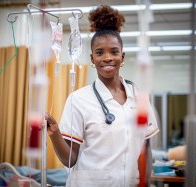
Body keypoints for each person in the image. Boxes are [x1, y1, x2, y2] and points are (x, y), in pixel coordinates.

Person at [45, 5, 159, 187]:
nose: (107, 58)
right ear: (92, 59)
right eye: (100, 52)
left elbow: (146, 147)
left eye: (114, 51)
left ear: (122, 56)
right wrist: (55, 133)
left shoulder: (139, 97)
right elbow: (69, 160)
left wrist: (144, 182)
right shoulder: (78, 100)